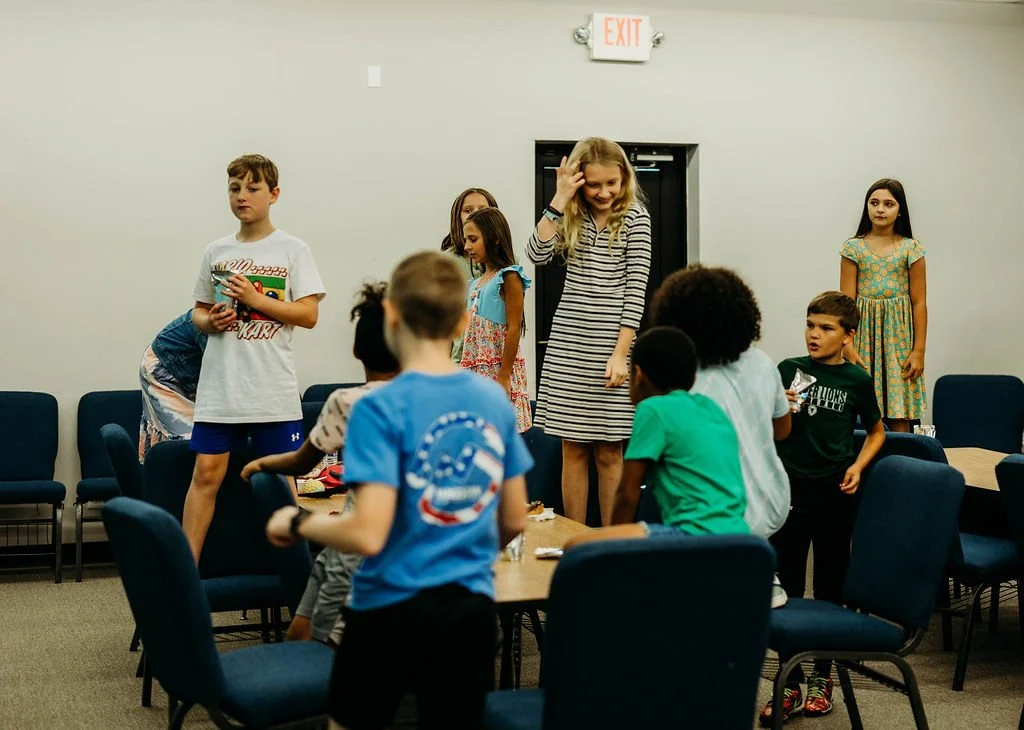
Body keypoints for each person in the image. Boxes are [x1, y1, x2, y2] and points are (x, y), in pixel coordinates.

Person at [265, 251, 532, 730]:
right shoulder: (493, 400)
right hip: (468, 608)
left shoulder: (377, 408)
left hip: (388, 608)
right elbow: (513, 519)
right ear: (462, 321)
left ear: (391, 318)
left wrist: (297, 520)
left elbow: (369, 533)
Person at [184, 154, 326, 563]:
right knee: (205, 476)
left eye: (252, 188)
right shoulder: (217, 250)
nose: (242, 197)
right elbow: (197, 311)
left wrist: (255, 299)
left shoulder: (293, 250)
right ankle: (183, 574)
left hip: (271, 389)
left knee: (281, 485)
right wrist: (211, 320)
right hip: (220, 387)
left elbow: (309, 314)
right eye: (234, 188)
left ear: (274, 194)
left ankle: (293, 577)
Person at [242, 282, 399, 646]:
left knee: (314, 643)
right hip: (368, 549)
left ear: (357, 350)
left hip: (354, 552)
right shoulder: (428, 403)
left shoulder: (347, 402)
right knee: (312, 640)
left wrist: (260, 464)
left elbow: (300, 463)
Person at [761, 292, 886, 726]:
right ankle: (789, 680)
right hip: (789, 491)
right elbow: (767, 430)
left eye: (827, 328)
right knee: (788, 589)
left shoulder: (856, 379)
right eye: (811, 325)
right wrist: (780, 412)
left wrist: (858, 464)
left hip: (835, 494)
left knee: (831, 586)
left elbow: (876, 432)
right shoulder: (788, 370)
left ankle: (822, 677)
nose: (815, 334)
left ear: (848, 336)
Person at [649, 265, 792, 607]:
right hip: (770, 502)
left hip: (710, 513)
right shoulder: (761, 362)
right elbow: (783, 430)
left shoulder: (683, 376)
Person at [526, 137, 652, 525]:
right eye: (594, 185)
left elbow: (636, 289)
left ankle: (611, 543)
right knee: (573, 448)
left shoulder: (636, 217)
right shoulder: (571, 213)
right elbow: (535, 254)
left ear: (624, 178)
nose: (603, 192)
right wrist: (559, 200)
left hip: (613, 345)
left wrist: (620, 353)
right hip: (569, 343)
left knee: (610, 451)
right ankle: (576, 538)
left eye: (611, 183)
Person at [565, 326, 747, 550]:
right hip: (741, 539)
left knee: (575, 545)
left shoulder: (653, 409)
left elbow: (627, 495)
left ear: (638, 375)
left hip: (693, 538)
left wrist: (609, 551)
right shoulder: (712, 409)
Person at [839, 178, 927, 432]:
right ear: (867, 207)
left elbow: (919, 303)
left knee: (900, 412)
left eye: (888, 204)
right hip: (863, 336)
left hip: (898, 339)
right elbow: (846, 302)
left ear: (900, 210)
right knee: (863, 409)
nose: (880, 209)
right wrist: (848, 346)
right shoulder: (853, 248)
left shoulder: (912, 249)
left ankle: (901, 466)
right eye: (874, 202)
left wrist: (918, 350)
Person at [460, 207, 531, 432]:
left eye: (473, 239)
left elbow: (513, 328)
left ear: (495, 239)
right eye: (466, 240)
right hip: (476, 372)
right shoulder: (476, 283)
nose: (467, 246)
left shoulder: (509, 276)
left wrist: (504, 375)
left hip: (499, 370)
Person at [138, 310, 207, 463]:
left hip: (192, 375)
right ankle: (170, 483)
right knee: (189, 440)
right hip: (162, 371)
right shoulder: (216, 317)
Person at [441, 187, 496, 363]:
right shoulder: (447, 262)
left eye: (482, 209)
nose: (475, 215)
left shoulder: (509, 263)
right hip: (459, 361)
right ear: (458, 217)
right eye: (468, 210)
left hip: (496, 362)